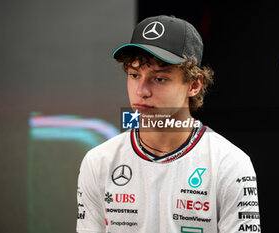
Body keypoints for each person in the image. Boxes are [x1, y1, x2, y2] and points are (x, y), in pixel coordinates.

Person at [76, 15, 261, 233]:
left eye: (159, 78)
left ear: (194, 84)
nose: (141, 91)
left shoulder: (230, 164)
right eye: (134, 74)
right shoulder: (99, 161)